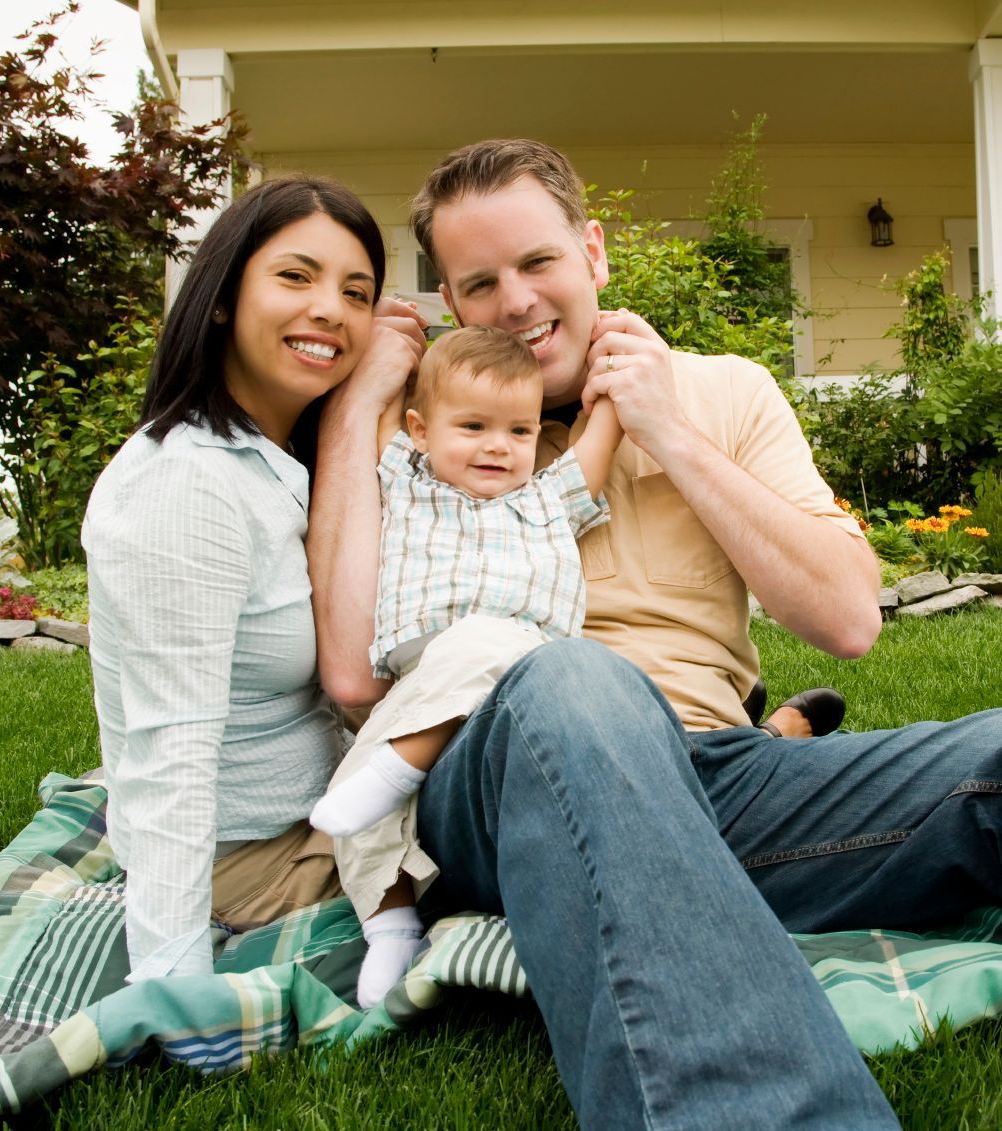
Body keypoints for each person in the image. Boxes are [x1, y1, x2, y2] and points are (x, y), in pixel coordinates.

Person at [308, 138, 1002, 1129]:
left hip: (724, 778)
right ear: (451, 301)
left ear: (592, 252)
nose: (516, 300)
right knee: (572, 676)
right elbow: (348, 673)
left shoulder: (725, 391)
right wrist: (360, 405)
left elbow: (847, 620)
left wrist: (667, 429)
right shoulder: (425, 428)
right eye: (480, 283)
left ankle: (678, 907)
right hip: (496, 779)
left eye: (538, 261)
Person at [80, 176, 425, 980]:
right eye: (295, 276)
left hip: (324, 810)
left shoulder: (275, 461)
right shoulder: (186, 483)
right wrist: (170, 984)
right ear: (224, 298)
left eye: (356, 292)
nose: (330, 310)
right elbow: (171, 754)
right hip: (251, 859)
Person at [310, 324, 622, 1005]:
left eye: (519, 430)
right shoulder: (406, 479)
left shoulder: (546, 498)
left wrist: (612, 370)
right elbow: (382, 409)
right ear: (421, 431)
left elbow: (601, 436)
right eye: (474, 426)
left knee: (484, 640)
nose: (498, 445)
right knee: (353, 791)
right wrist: (391, 341)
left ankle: (399, 768)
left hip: (519, 675)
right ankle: (391, 926)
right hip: (426, 679)